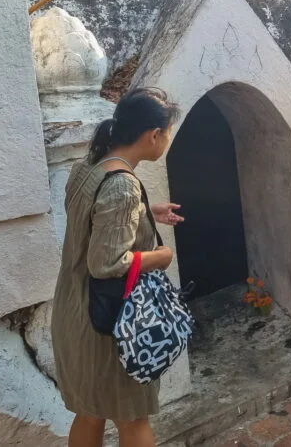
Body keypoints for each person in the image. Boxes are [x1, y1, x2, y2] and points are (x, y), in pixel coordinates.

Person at [51, 88, 185, 447]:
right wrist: (161, 256)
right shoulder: (123, 188)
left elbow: (90, 221)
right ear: (153, 135)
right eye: (168, 132)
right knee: (132, 417)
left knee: (90, 412)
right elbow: (107, 263)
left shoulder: (88, 169)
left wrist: (144, 213)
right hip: (108, 324)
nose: (167, 139)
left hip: (74, 313)